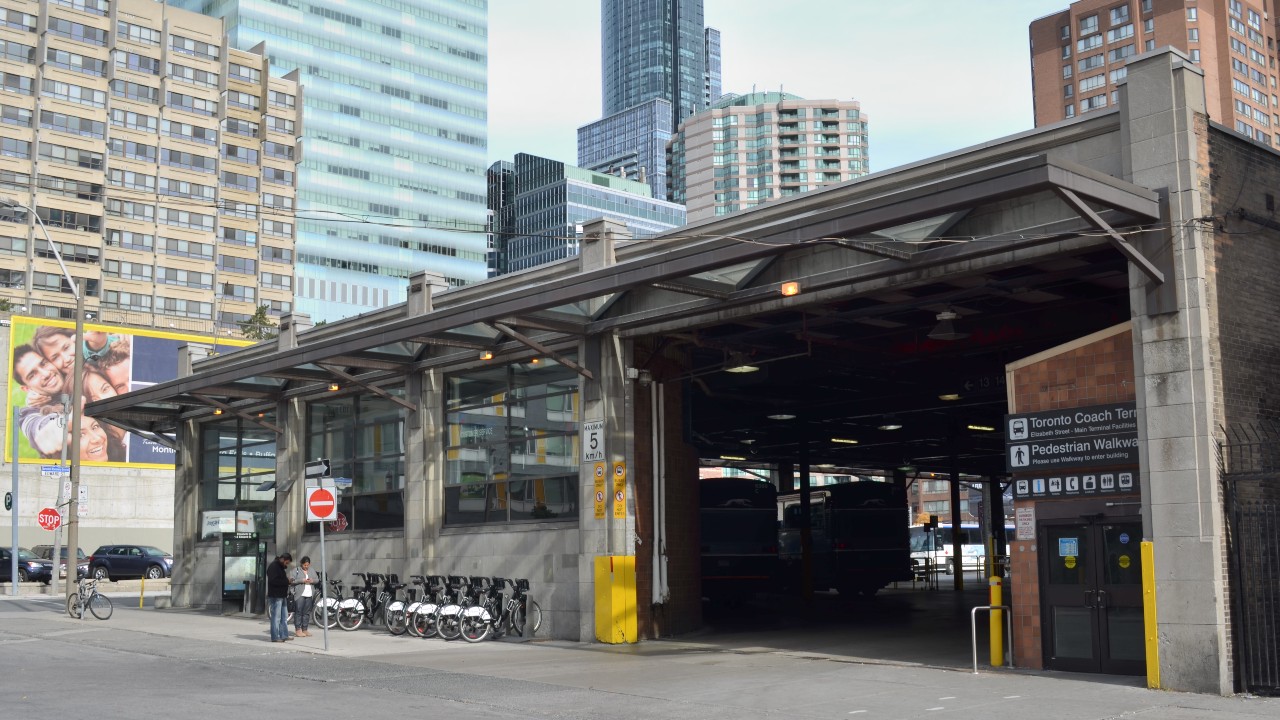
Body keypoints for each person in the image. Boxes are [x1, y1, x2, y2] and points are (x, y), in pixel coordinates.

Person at [265, 553, 292, 642]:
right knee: (276, 617)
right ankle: (275, 636)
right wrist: (286, 581)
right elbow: (273, 580)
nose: (286, 565)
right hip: (276, 595)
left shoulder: (279, 567)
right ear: (283, 559)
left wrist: (287, 581)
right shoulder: (274, 566)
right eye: (286, 563)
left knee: (284, 617)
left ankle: (284, 635)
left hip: (282, 595)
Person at [291, 556, 317, 637]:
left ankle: (305, 629)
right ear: (301, 564)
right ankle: (298, 629)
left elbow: (317, 579)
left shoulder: (312, 570)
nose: (306, 567)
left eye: (307, 565)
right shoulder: (296, 570)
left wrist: (312, 581)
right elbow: (291, 580)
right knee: (299, 612)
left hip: (309, 594)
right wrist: (301, 580)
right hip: (300, 594)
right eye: (305, 565)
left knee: (306, 613)